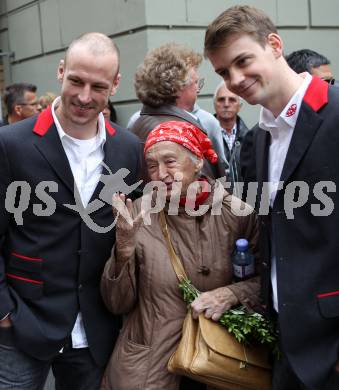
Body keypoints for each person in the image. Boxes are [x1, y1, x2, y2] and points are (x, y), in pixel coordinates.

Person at [204, 5, 339, 390]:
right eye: (223, 73)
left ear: (275, 45)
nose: (235, 80)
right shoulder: (258, 138)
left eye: (243, 61)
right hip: (285, 347)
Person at [0, 32, 142, 390]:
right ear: (61, 71)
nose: (84, 96)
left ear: (115, 84)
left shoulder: (129, 149)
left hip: (96, 328)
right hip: (23, 322)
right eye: (76, 81)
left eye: (98, 86)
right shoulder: (11, 144)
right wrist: (3, 311)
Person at [100, 120, 260, 390]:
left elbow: (266, 284)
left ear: (197, 161)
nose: (160, 173)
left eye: (170, 161)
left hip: (222, 361)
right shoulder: (139, 213)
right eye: (151, 165)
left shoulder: (238, 214)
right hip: (150, 364)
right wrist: (123, 252)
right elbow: (116, 304)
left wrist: (231, 294)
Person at [130, 42, 222, 179]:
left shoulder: (138, 123)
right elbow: (202, 191)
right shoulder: (180, 130)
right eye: (196, 82)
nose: (198, 90)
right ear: (177, 87)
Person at [212, 81, 249, 196]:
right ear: (214, 104)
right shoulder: (205, 138)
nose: (226, 104)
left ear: (240, 106)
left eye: (232, 100)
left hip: (246, 207)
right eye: (221, 99)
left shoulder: (250, 139)